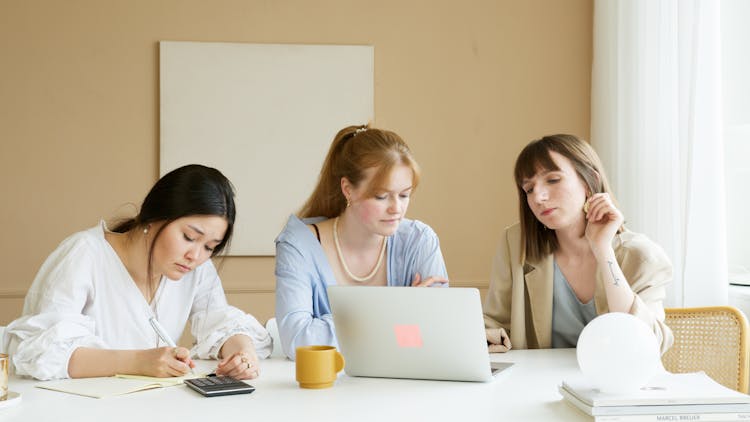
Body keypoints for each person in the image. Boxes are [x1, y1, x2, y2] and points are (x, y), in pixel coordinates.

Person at [4, 164, 271, 380]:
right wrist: (139, 361)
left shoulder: (196, 268)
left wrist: (243, 356)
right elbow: (41, 354)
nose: (196, 256)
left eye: (210, 247)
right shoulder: (84, 255)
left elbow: (221, 324)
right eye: (189, 237)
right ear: (155, 216)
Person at [483, 134, 673, 354]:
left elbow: (648, 342)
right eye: (529, 189)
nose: (538, 197)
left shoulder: (642, 256)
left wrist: (603, 250)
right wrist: (485, 336)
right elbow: (495, 324)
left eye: (553, 180)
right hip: (538, 383)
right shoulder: (516, 245)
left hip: (618, 384)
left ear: (589, 181)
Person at [275, 125, 449, 360]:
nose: (396, 209)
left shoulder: (419, 240)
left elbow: (436, 334)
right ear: (348, 189)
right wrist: (397, 311)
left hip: (406, 387)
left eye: (404, 195)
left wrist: (356, 326)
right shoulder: (299, 245)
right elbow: (298, 341)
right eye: (381, 196)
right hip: (326, 392)